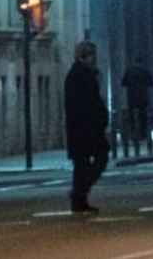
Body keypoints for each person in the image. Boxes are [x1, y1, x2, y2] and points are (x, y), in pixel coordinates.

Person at [64, 41, 109, 213]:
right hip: (85, 128)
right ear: (85, 56)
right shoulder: (79, 75)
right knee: (97, 160)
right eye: (91, 55)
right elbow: (88, 103)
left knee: (82, 166)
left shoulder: (83, 74)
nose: (94, 59)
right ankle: (79, 194)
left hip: (85, 128)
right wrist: (98, 120)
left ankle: (80, 197)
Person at [121, 58, 153, 150]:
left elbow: (123, 83)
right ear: (141, 62)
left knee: (131, 116)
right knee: (143, 116)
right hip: (143, 97)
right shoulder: (145, 71)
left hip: (131, 97)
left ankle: (133, 134)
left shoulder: (129, 71)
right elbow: (151, 83)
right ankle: (142, 134)